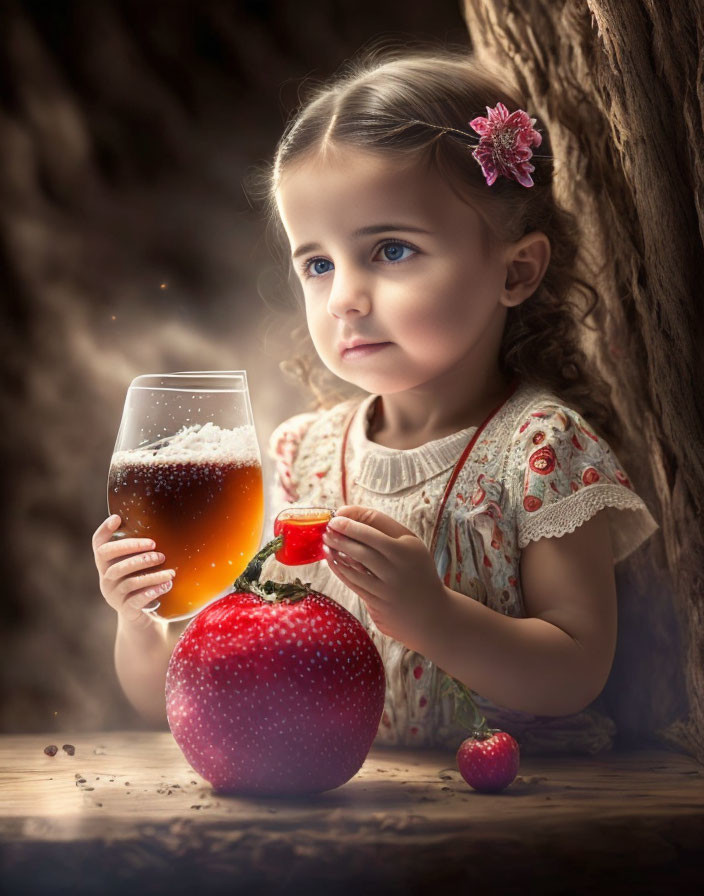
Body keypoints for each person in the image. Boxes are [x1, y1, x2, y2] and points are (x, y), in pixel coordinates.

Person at [93, 45, 660, 751]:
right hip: (354, 811)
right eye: (319, 264)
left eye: (391, 250)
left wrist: (434, 618)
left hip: (522, 813)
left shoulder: (542, 450)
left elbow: (577, 669)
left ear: (516, 272)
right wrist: (140, 620)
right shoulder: (303, 455)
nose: (346, 300)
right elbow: (186, 694)